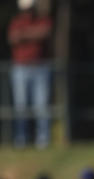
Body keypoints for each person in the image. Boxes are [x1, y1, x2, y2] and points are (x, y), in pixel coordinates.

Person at [6, 0, 53, 148]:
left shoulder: (42, 19)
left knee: (42, 106)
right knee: (21, 107)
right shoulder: (16, 22)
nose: (28, 12)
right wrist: (33, 33)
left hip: (40, 67)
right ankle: (21, 140)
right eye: (26, 9)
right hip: (20, 69)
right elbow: (13, 37)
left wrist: (24, 35)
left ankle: (43, 140)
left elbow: (45, 32)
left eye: (30, 8)